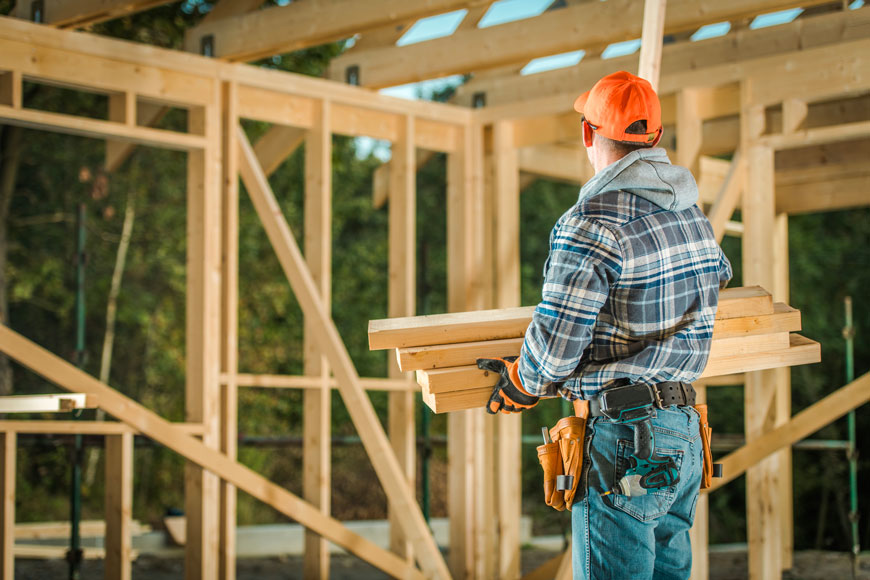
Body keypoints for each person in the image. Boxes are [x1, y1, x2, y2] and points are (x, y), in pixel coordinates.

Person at [478, 71, 732, 579]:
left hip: (625, 436)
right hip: (683, 430)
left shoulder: (590, 222)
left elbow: (555, 344)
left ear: (588, 133)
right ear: (655, 138)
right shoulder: (692, 217)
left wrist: (523, 382)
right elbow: (718, 276)